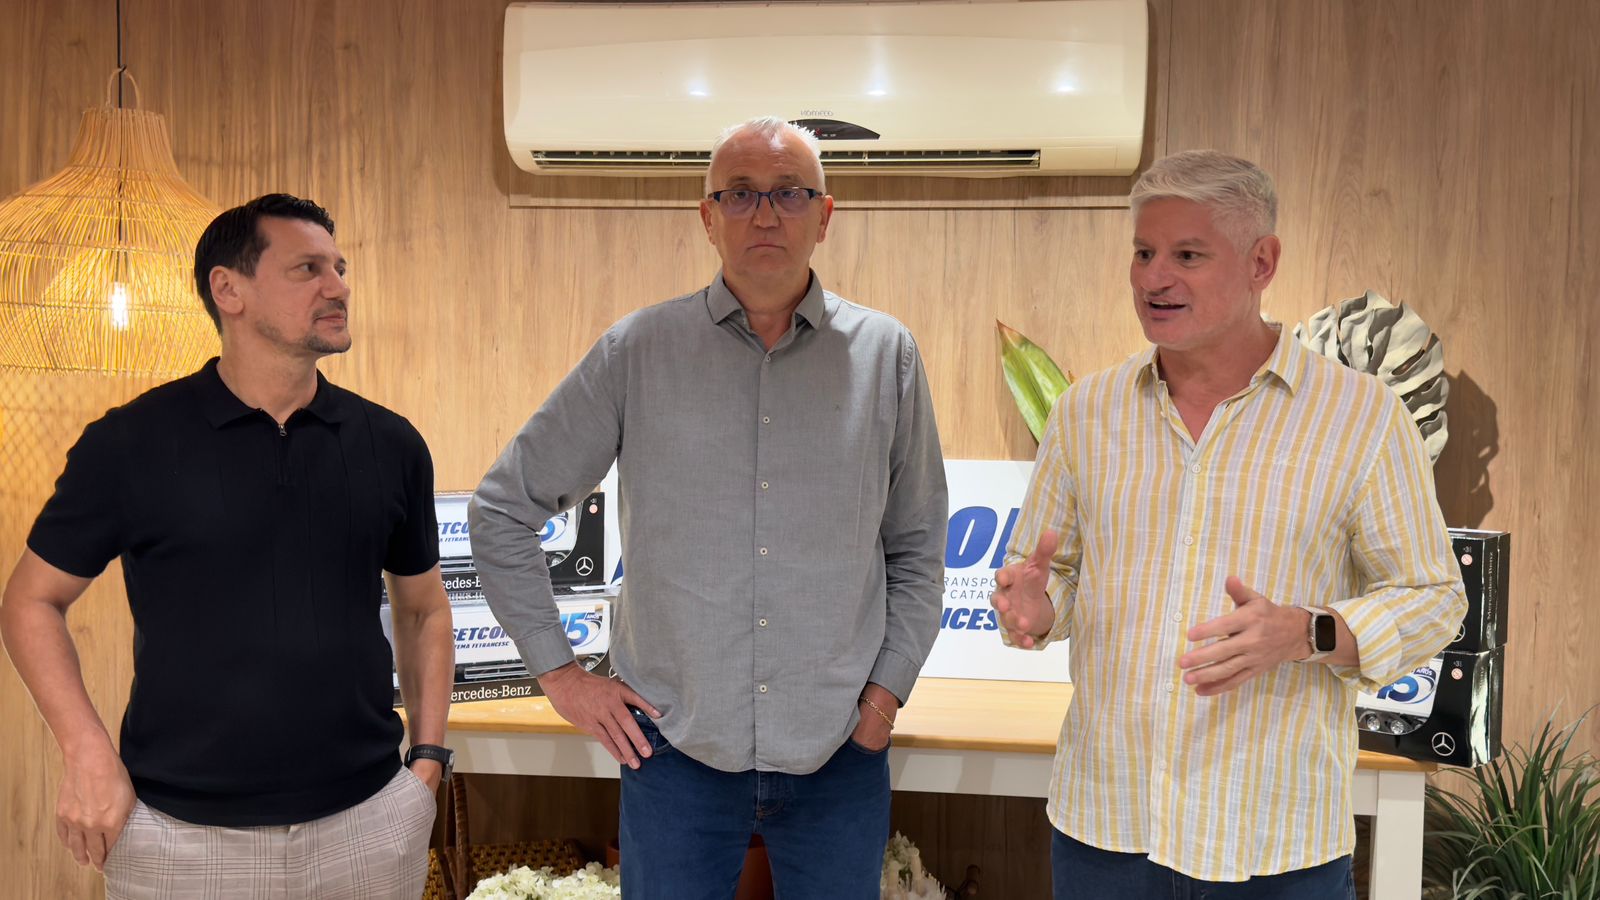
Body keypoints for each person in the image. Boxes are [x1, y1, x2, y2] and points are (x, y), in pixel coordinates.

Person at [470, 116, 948, 899]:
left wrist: (883, 701)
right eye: (740, 194)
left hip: (838, 755)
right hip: (674, 758)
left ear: (825, 216)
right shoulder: (636, 353)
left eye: (789, 193)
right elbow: (502, 510)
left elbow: (919, 547)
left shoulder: (886, 357)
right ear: (707, 216)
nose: (765, 214)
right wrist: (560, 673)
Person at [990, 150, 1467, 898]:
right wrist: (1037, 608)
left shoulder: (1362, 417)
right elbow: (1056, 576)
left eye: (1187, 255)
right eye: (1143, 253)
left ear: (1261, 262)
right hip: (1106, 831)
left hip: (1275, 842)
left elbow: (1434, 597)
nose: (1154, 278)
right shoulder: (1085, 412)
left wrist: (1308, 632)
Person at [0, 194, 455, 900]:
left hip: (367, 826)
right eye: (308, 269)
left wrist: (425, 764)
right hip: (177, 838)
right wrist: (86, 751)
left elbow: (424, 609)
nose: (337, 286)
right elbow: (31, 601)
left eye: (339, 268)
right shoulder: (130, 443)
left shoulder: (390, 444)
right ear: (228, 289)